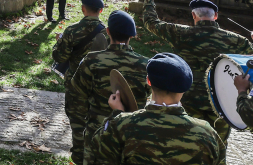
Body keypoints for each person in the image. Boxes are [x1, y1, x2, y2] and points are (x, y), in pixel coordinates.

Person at [142, 0, 253, 147]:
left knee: (189, 144)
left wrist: (149, 0)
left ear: (194, 16)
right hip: (221, 103)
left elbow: (151, 23)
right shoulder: (236, 40)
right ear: (215, 16)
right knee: (218, 146)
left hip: (189, 101)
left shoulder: (181, 34)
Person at [84, 53, 225, 165]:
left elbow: (96, 153)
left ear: (148, 81)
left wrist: (117, 114)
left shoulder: (122, 126)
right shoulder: (208, 134)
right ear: (185, 88)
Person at [66, 10, 150, 165]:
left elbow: (75, 102)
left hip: (98, 136)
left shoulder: (91, 61)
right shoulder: (146, 65)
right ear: (132, 35)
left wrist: (78, 146)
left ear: (108, 31)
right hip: (133, 137)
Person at [52, 0, 108, 80]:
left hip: (75, 79)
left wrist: (59, 41)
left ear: (83, 8)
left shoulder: (71, 30)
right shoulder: (107, 33)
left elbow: (60, 58)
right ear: (101, 10)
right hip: (96, 80)